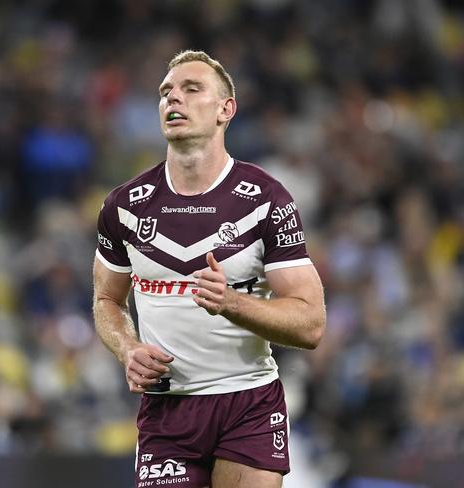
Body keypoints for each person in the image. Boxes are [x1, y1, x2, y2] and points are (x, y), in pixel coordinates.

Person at [93, 50, 326, 488]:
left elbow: (311, 324)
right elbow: (107, 299)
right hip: (168, 409)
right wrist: (127, 348)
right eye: (166, 92)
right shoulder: (123, 206)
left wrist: (232, 303)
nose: (172, 99)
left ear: (226, 109)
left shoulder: (265, 200)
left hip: (248, 400)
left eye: (191, 89)